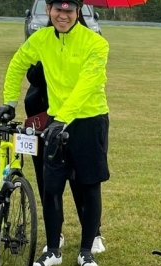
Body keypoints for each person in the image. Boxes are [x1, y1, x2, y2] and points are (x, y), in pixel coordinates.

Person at [0, 0, 110, 266]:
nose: (64, 14)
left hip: (89, 120)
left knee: (89, 185)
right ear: (48, 9)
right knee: (52, 187)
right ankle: (54, 250)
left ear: (78, 11)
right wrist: (9, 100)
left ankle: (86, 250)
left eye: (70, 9)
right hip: (56, 122)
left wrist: (62, 118)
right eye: (58, 8)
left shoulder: (96, 43)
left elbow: (87, 85)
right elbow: (18, 63)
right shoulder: (42, 39)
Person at [17, 61, 105, 255]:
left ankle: (93, 234)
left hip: (80, 117)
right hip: (41, 115)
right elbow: (34, 76)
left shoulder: (84, 40)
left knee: (82, 178)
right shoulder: (44, 40)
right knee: (46, 179)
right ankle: (54, 236)